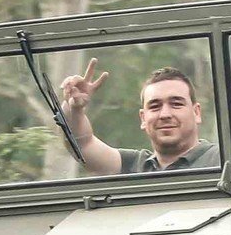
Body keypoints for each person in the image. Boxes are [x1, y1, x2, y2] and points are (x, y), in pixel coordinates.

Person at [59, 62, 219, 176]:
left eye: (176, 104)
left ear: (196, 112)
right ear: (143, 118)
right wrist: (74, 107)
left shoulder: (220, 159)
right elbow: (82, 144)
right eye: (155, 106)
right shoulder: (135, 165)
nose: (165, 114)